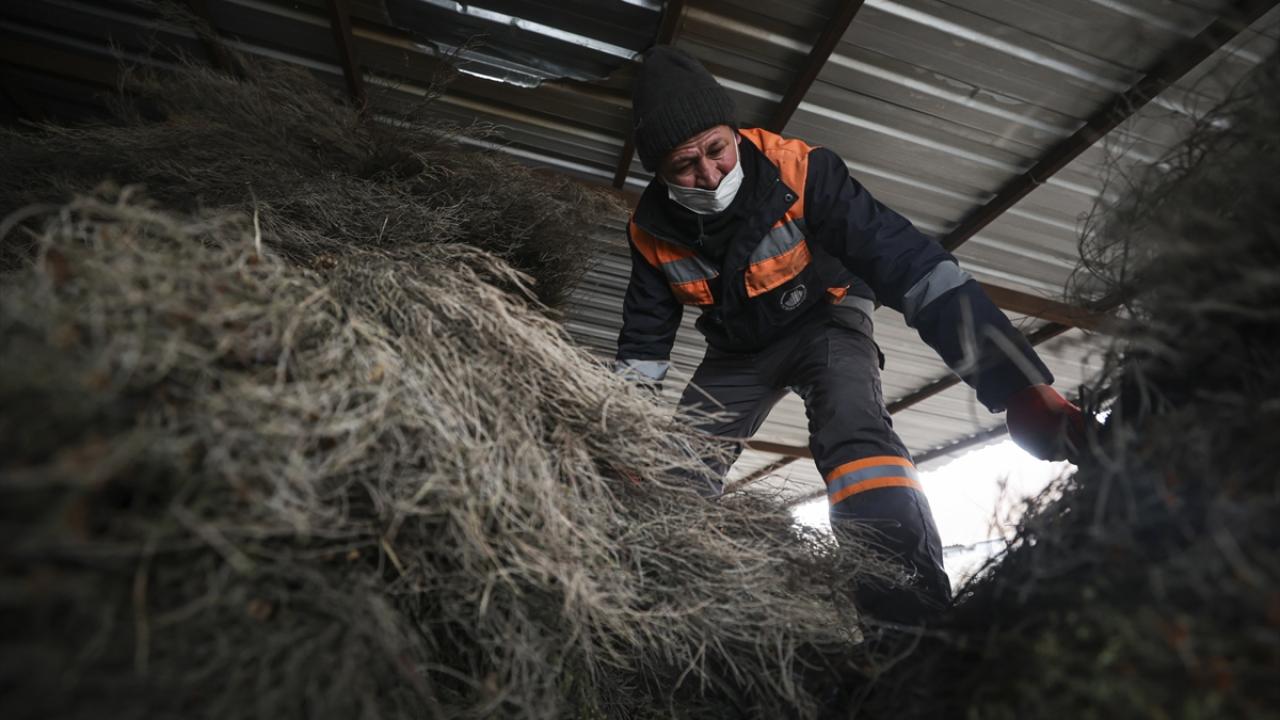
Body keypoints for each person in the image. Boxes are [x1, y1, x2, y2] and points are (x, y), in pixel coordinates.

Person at [615, 46, 1084, 623]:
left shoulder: (800, 168)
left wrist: (1016, 385)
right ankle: (654, 612)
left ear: (733, 132)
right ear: (657, 173)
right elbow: (642, 347)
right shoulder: (649, 232)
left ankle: (905, 617)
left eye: (717, 150)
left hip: (827, 315)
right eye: (685, 166)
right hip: (737, 351)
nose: (709, 175)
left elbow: (913, 267)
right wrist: (622, 442)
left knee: (852, 431)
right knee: (669, 466)